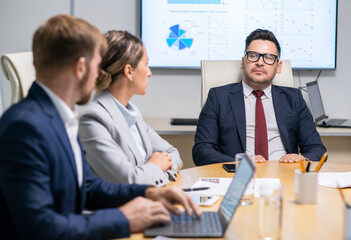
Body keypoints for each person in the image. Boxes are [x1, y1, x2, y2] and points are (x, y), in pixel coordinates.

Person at [0, 15, 201, 240]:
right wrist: (123, 218)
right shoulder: (25, 127)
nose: (100, 76)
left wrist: (149, 192)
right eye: (97, 66)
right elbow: (40, 228)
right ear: (80, 68)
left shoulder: (60, 117)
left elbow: (87, 187)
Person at [193, 29, 326, 166]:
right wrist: (239, 161)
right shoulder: (218, 97)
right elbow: (201, 151)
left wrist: (302, 158)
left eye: (268, 58)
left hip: (284, 173)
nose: (260, 63)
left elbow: (317, 149)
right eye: (253, 55)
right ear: (243, 62)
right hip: (237, 174)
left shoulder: (294, 99)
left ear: (278, 67)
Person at [78, 30, 182, 186]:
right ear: (128, 71)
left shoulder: (132, 112)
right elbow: (128, 180)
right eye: (146, 64)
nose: (149, 72)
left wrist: (153, 172)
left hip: (147, 201)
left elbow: (173, 154)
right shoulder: (93, 118)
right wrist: (155, 166)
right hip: (118, 208)